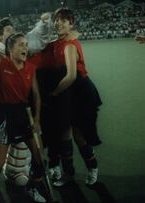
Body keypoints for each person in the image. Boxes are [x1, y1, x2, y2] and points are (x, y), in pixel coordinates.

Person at [37, 8, 102, 186]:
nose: (58, 23)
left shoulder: (70, 44)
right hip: (66, 93)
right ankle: (69, 173)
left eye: (64, 20)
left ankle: (92, 168)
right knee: (63, 134)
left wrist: (54, 93)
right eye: (57, 20)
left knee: (79, 136)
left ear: (71, 23)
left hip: (79, 92)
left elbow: (72, 76)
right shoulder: (56, 43)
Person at [0, 32, 48, 202]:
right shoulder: (0, 63)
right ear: (10, 49)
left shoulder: (30, 68)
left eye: (26, 44)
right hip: (4, 115)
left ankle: (32, 187)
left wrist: (36, 120)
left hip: (24, 114)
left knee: (39, 158)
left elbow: (36, 95)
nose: (25, 48)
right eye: (21, 45)